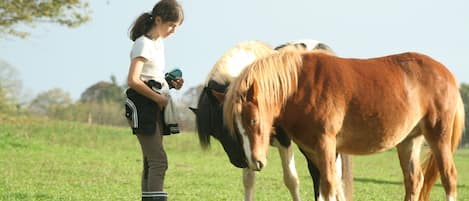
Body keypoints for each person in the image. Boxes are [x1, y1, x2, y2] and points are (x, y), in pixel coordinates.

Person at [125, 0, 184, 200]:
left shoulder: (158, 43)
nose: (174, 30)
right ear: (158, 20)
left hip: (153, 103)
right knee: (159, 161)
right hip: (143, 106)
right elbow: (133, 80)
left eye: (177, 26)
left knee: (151, 161)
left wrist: (169, 83)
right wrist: (158, 98)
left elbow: (150, 76)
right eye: (171, 25)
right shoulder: (143, 43)